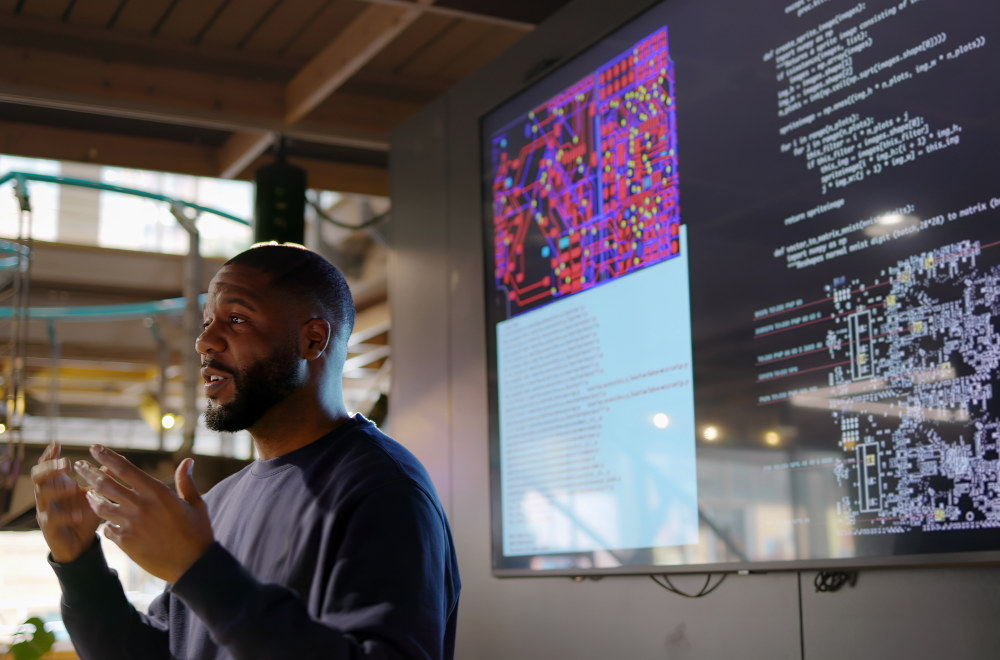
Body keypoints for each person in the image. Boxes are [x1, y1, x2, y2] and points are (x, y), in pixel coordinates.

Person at [31, 243, 460, 659]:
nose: (204, 343)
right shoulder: (216, 503)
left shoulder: (385, 492)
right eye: (206, 323)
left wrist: (199, 571)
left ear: (312, 341)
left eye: (236, 319)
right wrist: (81, 566)